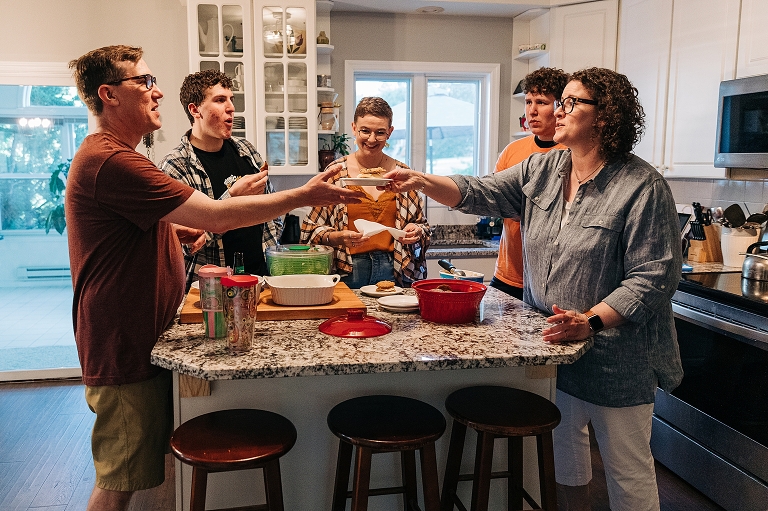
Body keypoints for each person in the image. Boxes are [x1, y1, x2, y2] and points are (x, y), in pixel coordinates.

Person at [66, 45, 362, 511]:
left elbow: (143, 225)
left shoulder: (117, 155)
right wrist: (303, 194)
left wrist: (169, 229)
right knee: (119, 478)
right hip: (121, 339)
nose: (155, 89)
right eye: (143, 82)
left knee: (132, 466)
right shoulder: (112, 159)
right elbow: (217, 216)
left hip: (140, 332)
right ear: (109, 95)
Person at [384, 68, 683, 511]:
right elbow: (478, 191)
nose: (556, 110)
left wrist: (591, 321)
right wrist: (422, 180)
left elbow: (653, 276)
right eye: (558, 100)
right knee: (562, 458)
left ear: (605, 117)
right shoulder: (543, 168)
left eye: (571, 102)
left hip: (617, 356)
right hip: (551, 345)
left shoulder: (641, 185)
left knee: (627, 468)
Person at [159, 69, 281, 286]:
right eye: (220, 100)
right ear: (195, 109)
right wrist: (232, 196)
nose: (231, 108)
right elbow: (188, 242)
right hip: (209, 289)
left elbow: (272, 212)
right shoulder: (175, 166)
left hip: (259, 279)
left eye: (231, 100)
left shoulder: (246, 151)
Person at [300, 96, 430, 288]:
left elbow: (423, 227)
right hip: (347, 270)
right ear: (354, 128)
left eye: (380, 132)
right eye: (365, 131)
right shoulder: (336, 173)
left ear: (390, 132)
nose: (371, 139)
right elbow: (311, 230)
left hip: (394, 269)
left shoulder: (401, 174)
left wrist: (416, 231)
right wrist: (338, 237)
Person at [490, 67, 569, 300]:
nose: (531, 111)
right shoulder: (512, 151)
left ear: (559, 108)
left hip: (550, 281)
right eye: (528, 101)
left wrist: (519, 206)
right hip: (508, 275)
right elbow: (496, 200)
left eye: (542, 102)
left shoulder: (573, 153)